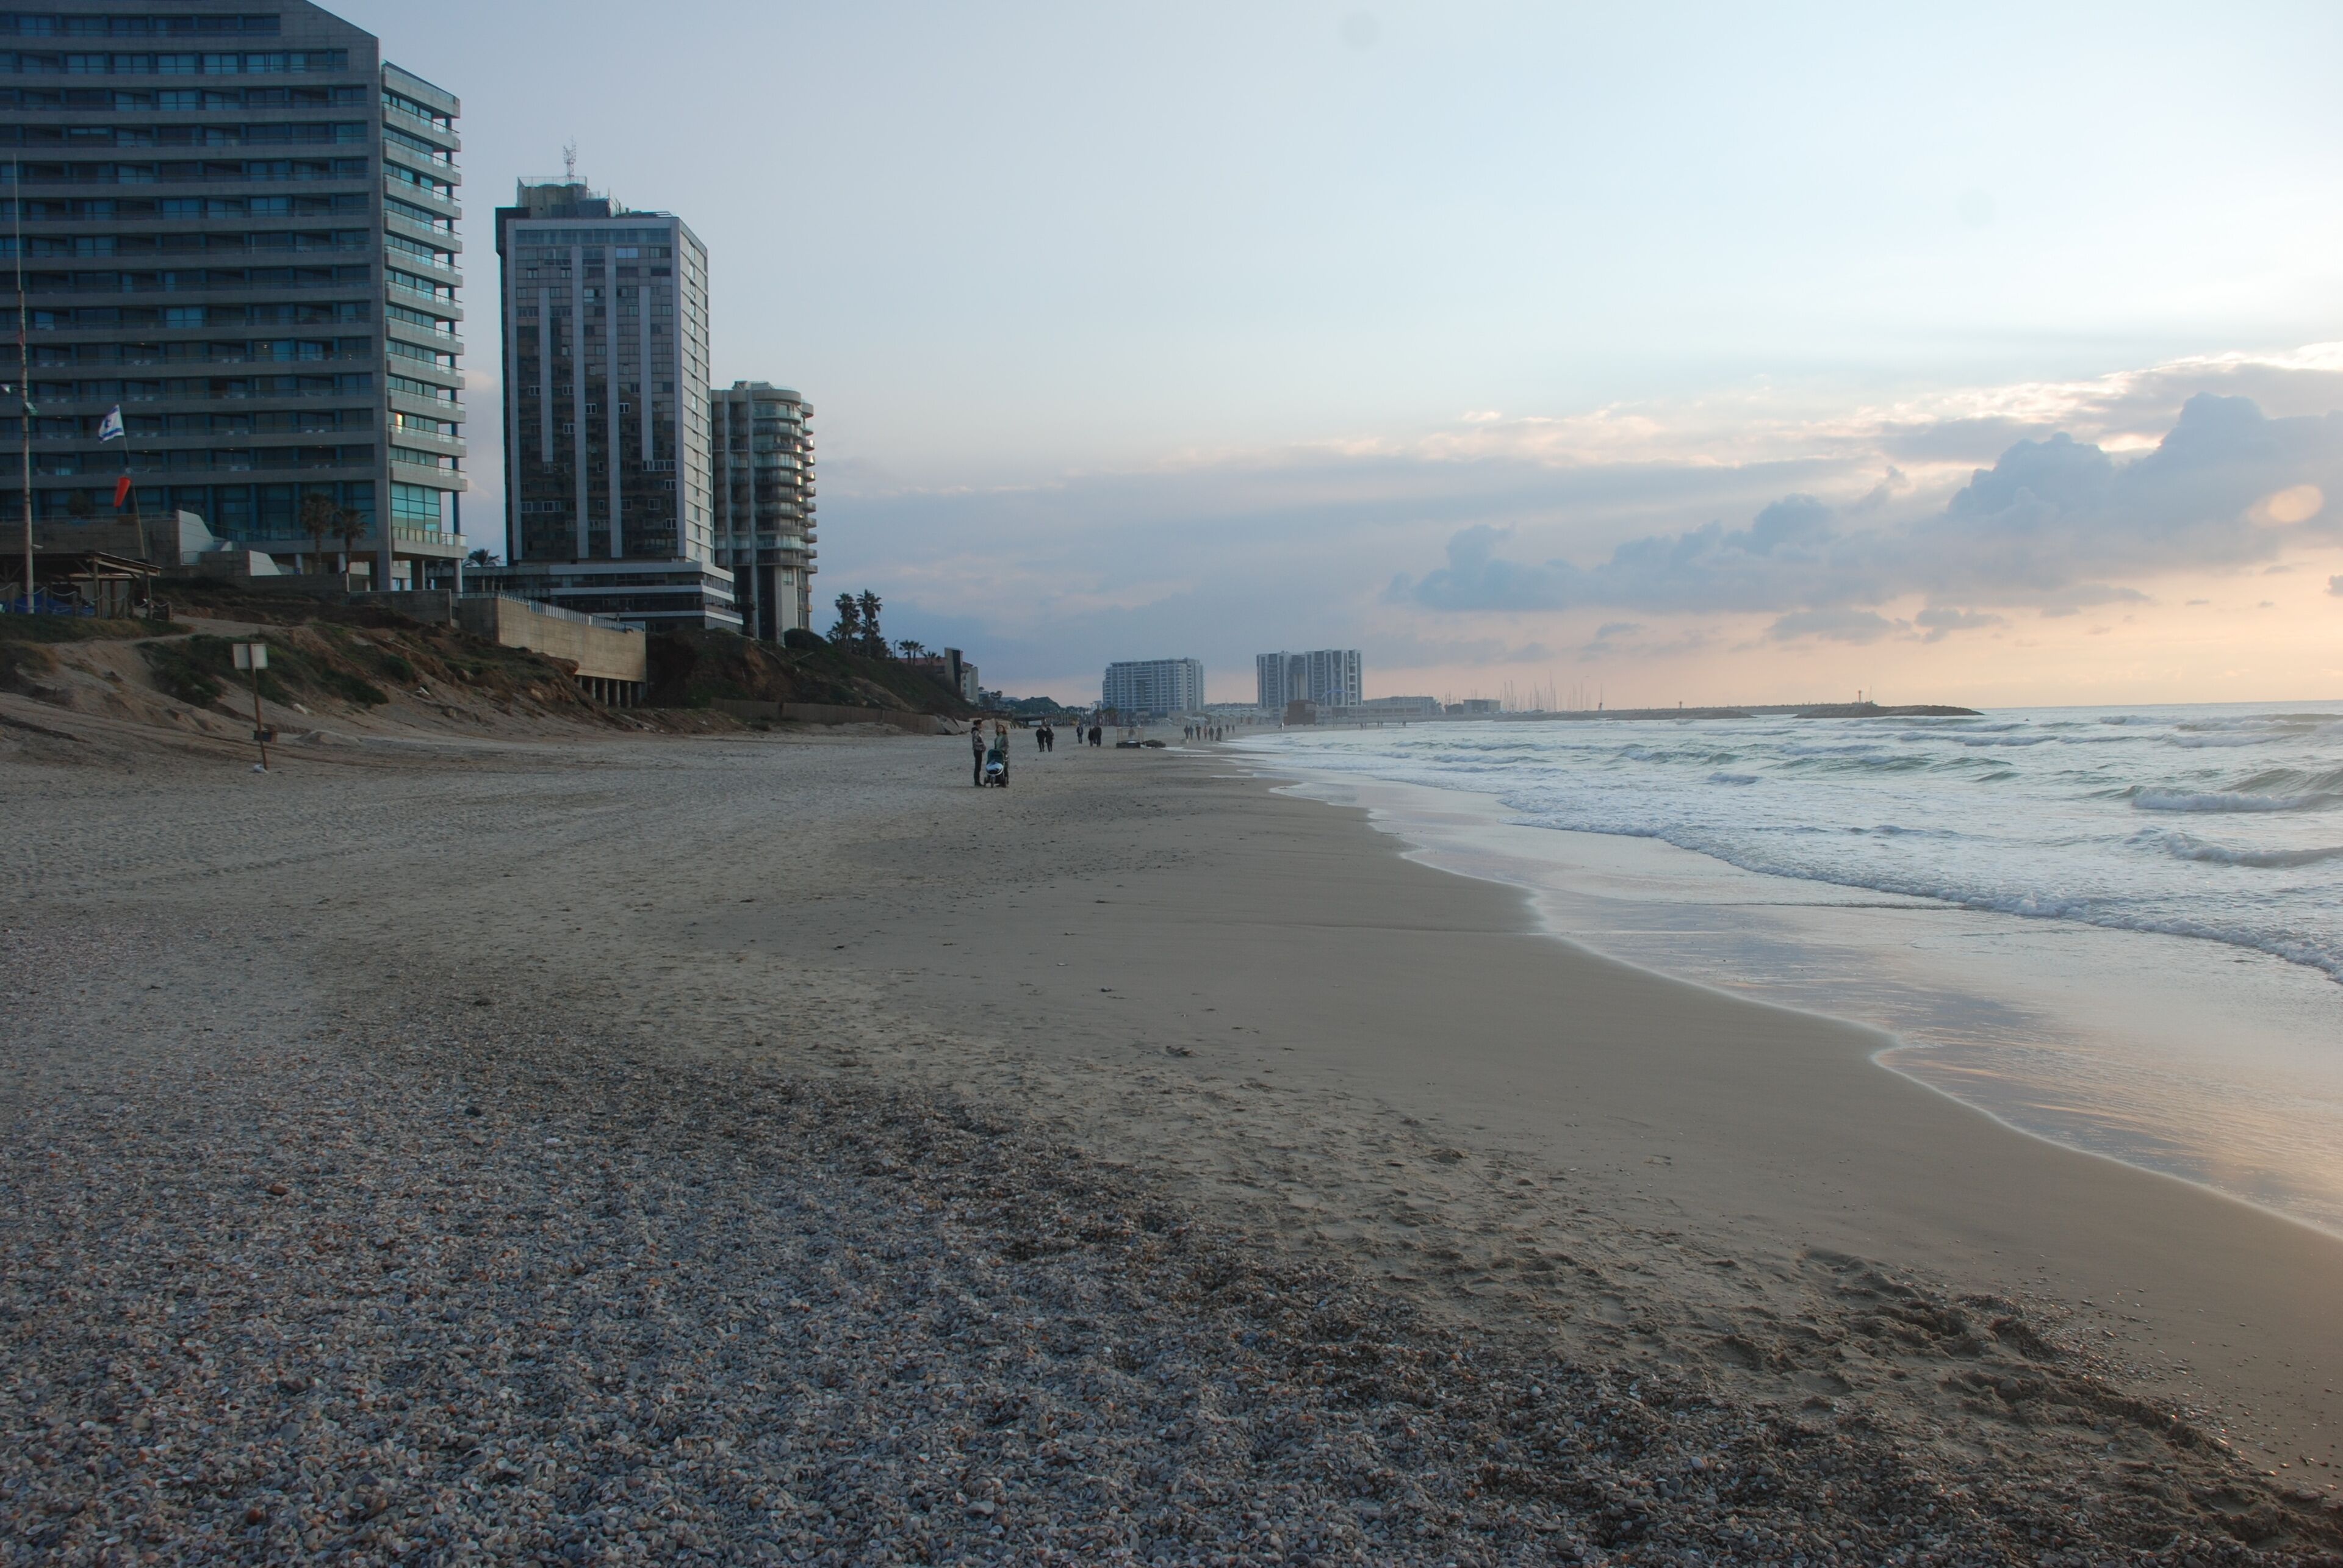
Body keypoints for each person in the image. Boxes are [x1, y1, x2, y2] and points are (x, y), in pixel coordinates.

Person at [970, 719, 987, 786]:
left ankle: (977, 781)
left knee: (978, 766)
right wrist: (983, 745)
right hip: (978, 750)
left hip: (979, 750)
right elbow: (975, 742)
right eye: (981, 724)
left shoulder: (977, 732)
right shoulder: (976, 732)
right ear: (978, 725)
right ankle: (977, 782)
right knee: (978, 766)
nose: (982, 725)